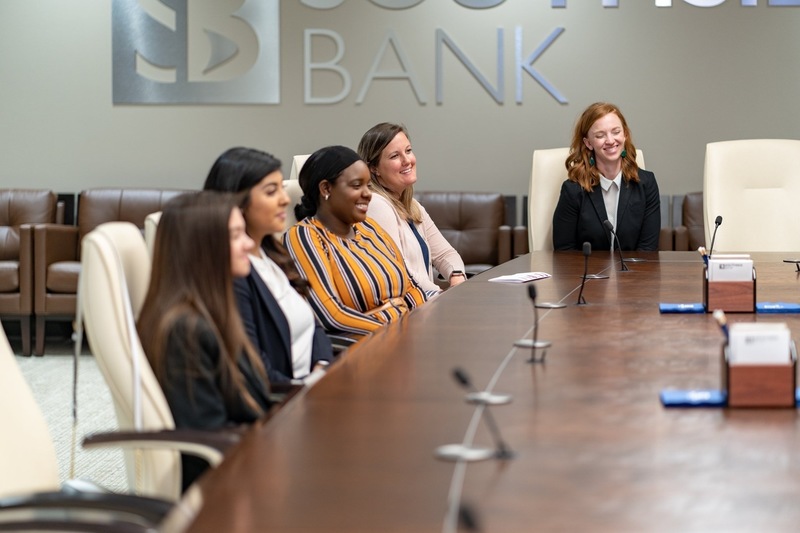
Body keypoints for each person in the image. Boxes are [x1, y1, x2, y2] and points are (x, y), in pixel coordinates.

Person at [137, 191, 273, 491]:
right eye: (237, 236)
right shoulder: (184, 331)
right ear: (204, 248)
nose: (249, 244)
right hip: (228, 493)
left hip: (255, 464)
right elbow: (207, 441)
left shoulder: (213, 313)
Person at [204, 147, 333, 386]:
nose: (285, 199)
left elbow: (313, 325)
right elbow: (254, 371)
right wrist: (306, 389)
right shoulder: (234, 273)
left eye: (281, 189)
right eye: (271, 191)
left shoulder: (273, 255)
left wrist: (322, 366)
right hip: (284, 404)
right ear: (236, 202)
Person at [284, 145, 436, 336]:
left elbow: (412, 287)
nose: (367, 194)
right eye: (357, 185)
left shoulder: (370, 228)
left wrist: (415, 326)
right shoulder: (305, 236)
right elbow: (331, 316)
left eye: (367, 185)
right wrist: (393, 328)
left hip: (407, 338)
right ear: (326, 188)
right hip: (365, 349)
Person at [358, 122, 466, 293]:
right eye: (394, 156)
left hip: (426, 303)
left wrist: (457, 276)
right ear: (374, 168)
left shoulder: (412, 206)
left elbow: (446, 254)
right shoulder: (375, 204)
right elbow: (402, 271)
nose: (407, 160)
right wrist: (441, 296)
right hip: (409, 311)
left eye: (408, 151)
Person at [552, 102, 661, 251]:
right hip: (586, 273)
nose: (610, 141)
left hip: (634, 273)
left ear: (625, 135)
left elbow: (648, 250)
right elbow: (564, 251)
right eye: (600, 135)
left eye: (616, 132)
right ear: (588, 143)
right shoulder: (573, 190)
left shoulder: (646, 184)